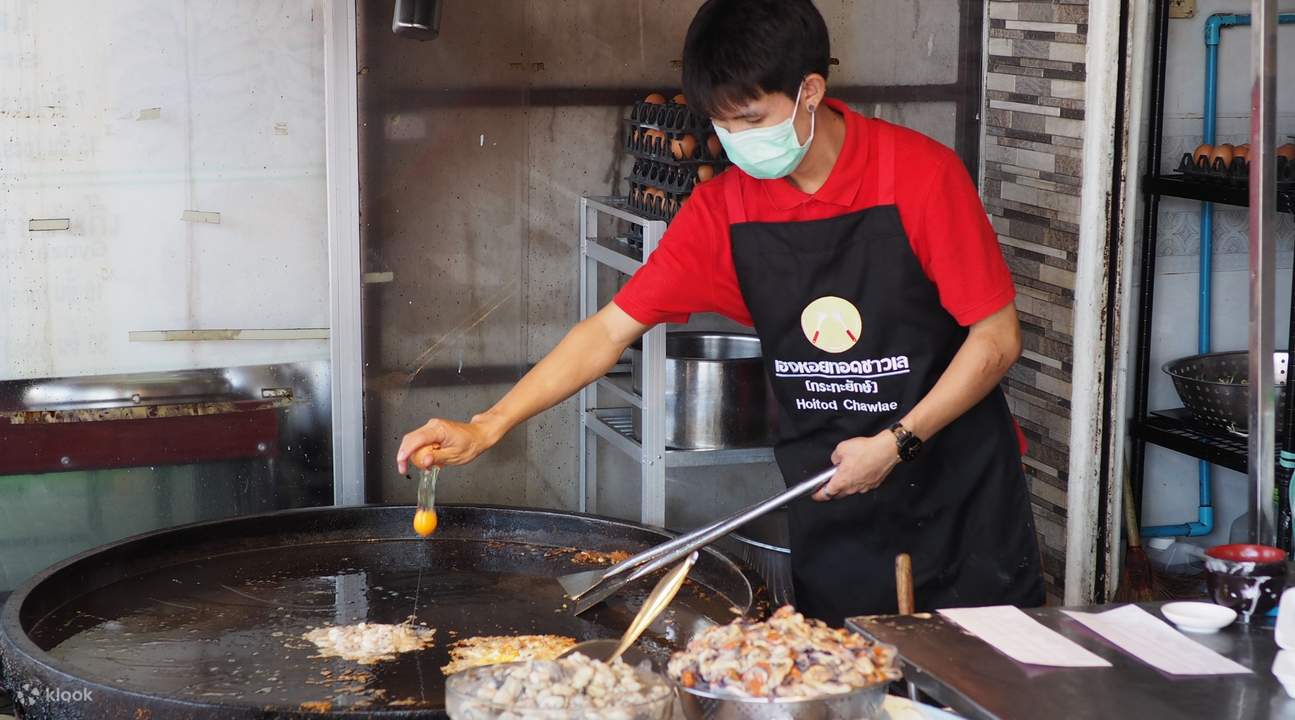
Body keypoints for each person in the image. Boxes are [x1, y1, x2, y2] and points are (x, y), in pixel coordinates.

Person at [398, 0, 1044, 625]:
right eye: (722, 124)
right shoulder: (722, 211)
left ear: (810, 90)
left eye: (752, 118)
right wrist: (487, 426)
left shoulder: (918, 176)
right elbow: (607, 330)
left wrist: (896, 443)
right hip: (832, 499)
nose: (737, 140)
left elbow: (995, 339)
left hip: (960, 495)